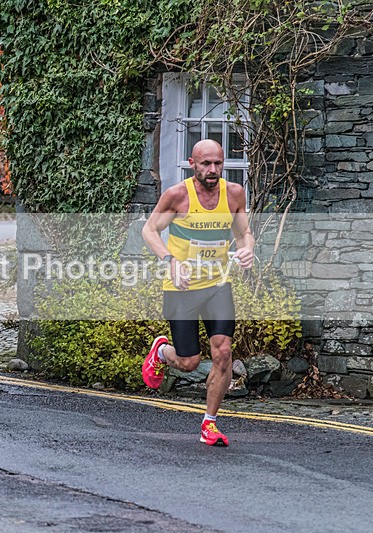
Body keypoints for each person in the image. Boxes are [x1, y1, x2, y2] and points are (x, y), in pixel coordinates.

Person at [141, 139, 254, 446]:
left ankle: (210, 423)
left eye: (218, 163)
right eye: (206, 164)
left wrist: (247, 251)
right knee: (189, 361)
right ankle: (162, 352)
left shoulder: (233, 194)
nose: (213, 169)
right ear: (192, 163)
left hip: (217, 285)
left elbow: (243, 232)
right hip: (182, 287)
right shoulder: (177, 196)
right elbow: (149, 230)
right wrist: (170, 261)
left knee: (223, 352)